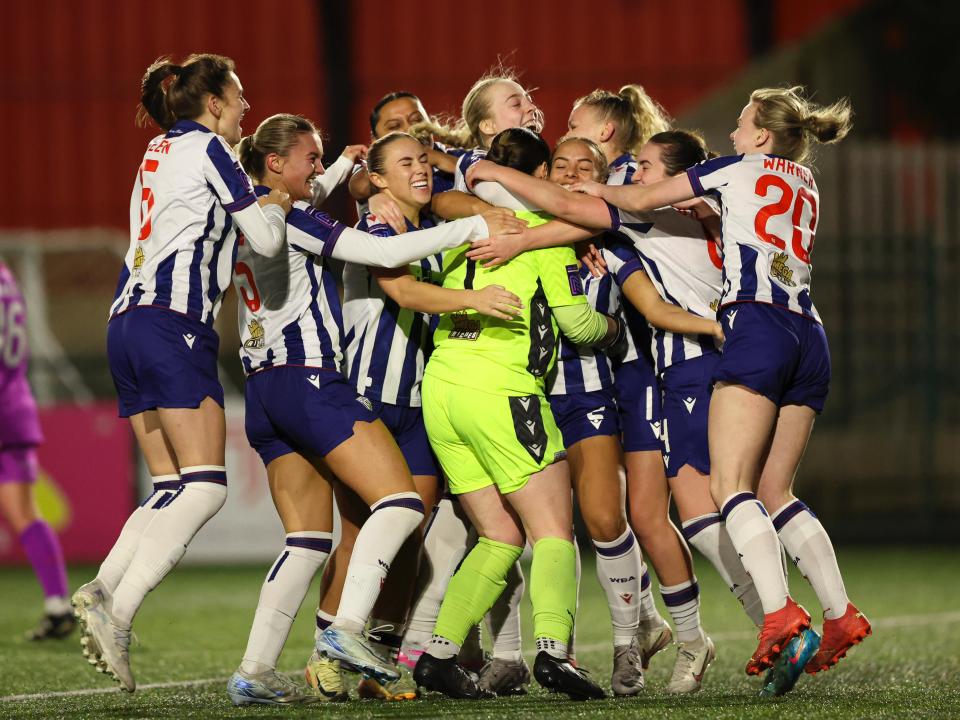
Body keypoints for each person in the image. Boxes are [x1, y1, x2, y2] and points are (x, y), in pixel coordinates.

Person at [569, 86, 871, 677]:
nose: (732, 134)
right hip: (810, 330)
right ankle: (839, 612)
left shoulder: (736, 167)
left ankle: (780, 615)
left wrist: (594, 188)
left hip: (755, 325)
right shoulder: (806, 182)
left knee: (731, 486)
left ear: (761, 135)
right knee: (778, 490)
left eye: (740, 124)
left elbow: (648, 196)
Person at [224, 116, 525, 706]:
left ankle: (270, 669)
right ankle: (339, 639)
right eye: (313, 157)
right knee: (389, 513)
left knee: (333, 538)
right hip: (329, 382)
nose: (323, 167)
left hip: (299, 387)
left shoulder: (253, 218)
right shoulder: (318, 218)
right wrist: (473, 231)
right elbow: (382, 263)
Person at [468, 135, 730, 693]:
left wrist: (612, 335)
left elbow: (646, 312)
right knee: (530, 532)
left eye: (584, 166)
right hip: (520, 394)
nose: (569, 173)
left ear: (602, 178)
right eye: (559, 164)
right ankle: (527, 652)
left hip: (588, 394)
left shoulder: (608, 241)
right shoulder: (509, 225)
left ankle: (626, 643)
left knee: (608, 519)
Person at [71, 53, 291, 694]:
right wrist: (275, 198)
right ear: (215, 102)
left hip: (125, 325)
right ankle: (120, 614)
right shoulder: (211, 149)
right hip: (174, 324)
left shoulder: (157, 150)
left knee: (168, 483)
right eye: (240, 96)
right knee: (207, 487)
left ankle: (102, 586)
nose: (247, 109)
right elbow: (267, 239)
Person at [412, 128, 621, 701]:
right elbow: (577, 325)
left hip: (443, 388)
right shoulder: (542, 238)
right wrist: (614, 329)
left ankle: (439, 653)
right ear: (542, 174)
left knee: (499, 534)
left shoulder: (465, 231)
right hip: (503, 389)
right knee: (554, 531)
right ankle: (554, 653)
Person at [0, 260, 73, 641]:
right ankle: (58, 605)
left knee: (24, 512)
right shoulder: (6, 274)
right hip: (13, 403)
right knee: (25, 513)